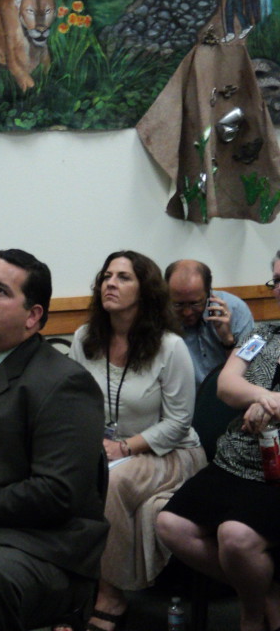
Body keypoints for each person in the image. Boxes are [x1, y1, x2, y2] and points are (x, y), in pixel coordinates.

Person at [0, 249, 108, 631]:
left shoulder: (63, 382)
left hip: (29, 543)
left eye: (0, 291)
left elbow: (56, 491)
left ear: (33, 317)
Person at [69, 250, 206, 631]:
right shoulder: (85, 338)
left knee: (111, 480)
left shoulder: (169, 347)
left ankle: (111, 594)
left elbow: (180, 422)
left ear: (145, 291)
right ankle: (72, 584)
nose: (110, 283)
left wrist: (125, 447)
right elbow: (74, 401)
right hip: (105, 448)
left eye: (123, 277)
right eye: (106, 276)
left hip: (171, 451)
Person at [157, 250, 280, 631]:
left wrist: (272, 407)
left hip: (275, 475)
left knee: (235, 536)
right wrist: (266, 399)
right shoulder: (262, 335)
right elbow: (226, 386)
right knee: (169, 525)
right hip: (237, 461)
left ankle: (250, 616)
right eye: (276, 281)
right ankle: (268, 593)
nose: (277, 290)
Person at [166, 259, 254, 386]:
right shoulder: (159, 317)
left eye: (195, 303)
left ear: (209, 292)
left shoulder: (235, 309)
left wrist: (228, 341)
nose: (187, 312)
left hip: (230, 395)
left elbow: (251, 374)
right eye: (178, 304)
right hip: (183, 398)